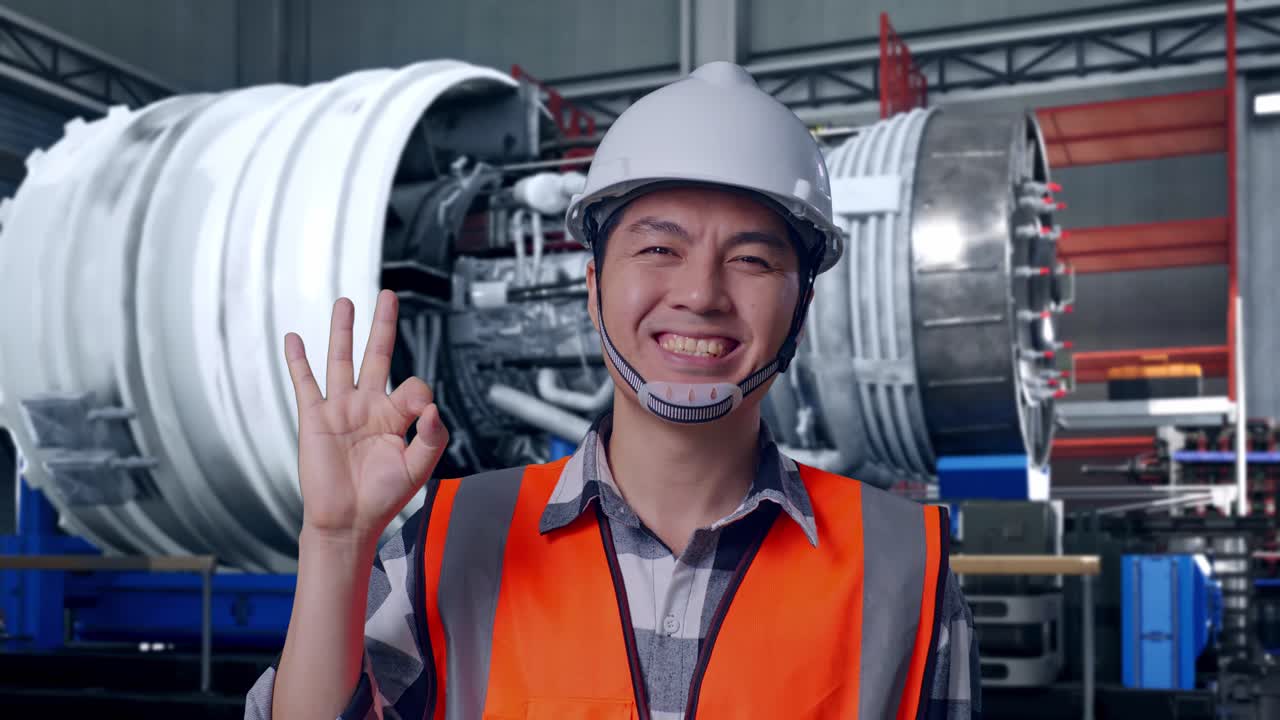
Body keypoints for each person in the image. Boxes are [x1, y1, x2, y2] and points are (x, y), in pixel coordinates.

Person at [247, 61, 979, 720]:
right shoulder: (452, 540)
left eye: (752, 260)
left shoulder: (904, 568)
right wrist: (336, 545)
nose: (700, 293)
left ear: (802, 306)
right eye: (659, 249)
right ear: (593, 288)